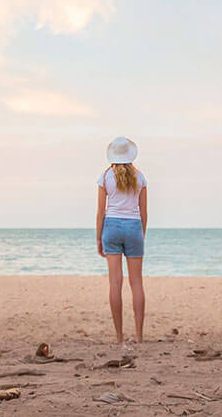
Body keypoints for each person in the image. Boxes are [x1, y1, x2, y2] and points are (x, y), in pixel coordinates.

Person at [95, 135, 147, 344]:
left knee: (115, 284)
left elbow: (100, 212)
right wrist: (139, 234)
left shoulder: (105, 177)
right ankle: (139, 336)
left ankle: (119, 337)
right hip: (134, 226)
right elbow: (144, 212)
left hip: (112, 227)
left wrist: (99, 237)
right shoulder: (140, 177)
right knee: (137, 284)